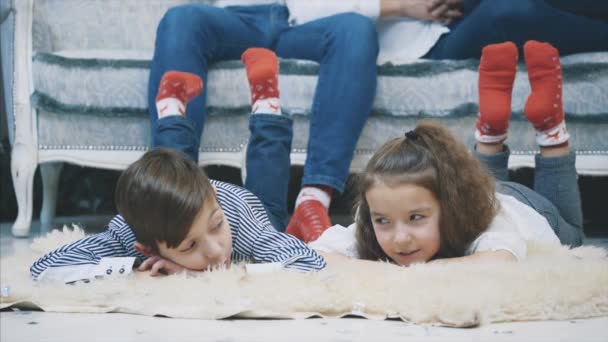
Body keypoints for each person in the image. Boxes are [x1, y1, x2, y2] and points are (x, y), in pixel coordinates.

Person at [30, 50, 327, 283]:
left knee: (266, 186)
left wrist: (200, 274)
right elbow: (44, 268)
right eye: (189, 247)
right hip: (184, 216)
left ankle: (267, 103)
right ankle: (170, 107)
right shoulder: (131, 229)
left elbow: (311, 264)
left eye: (215, 227)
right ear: (147, 248)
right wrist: (134, 268)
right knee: (164, 173)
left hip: (251, 211)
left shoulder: (238, 219)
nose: (215, 250)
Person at [310, 41, 585, 265]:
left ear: (451, 206)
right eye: (382, 220)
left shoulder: (489, 225)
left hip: (532, 208)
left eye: (416, 218)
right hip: (485, 189)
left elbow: (499, 263)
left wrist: (418, 272)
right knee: (471, 179)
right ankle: (491, 135)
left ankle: (552, 135)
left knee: (573, 234)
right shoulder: (384, 207)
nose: (400, 238)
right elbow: (314, 255)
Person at [148, 0, 381, 244]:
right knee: (180, 20)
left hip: (303, 21)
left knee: (356, 29)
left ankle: (313, 202)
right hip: (232, 19)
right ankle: (175, 194)